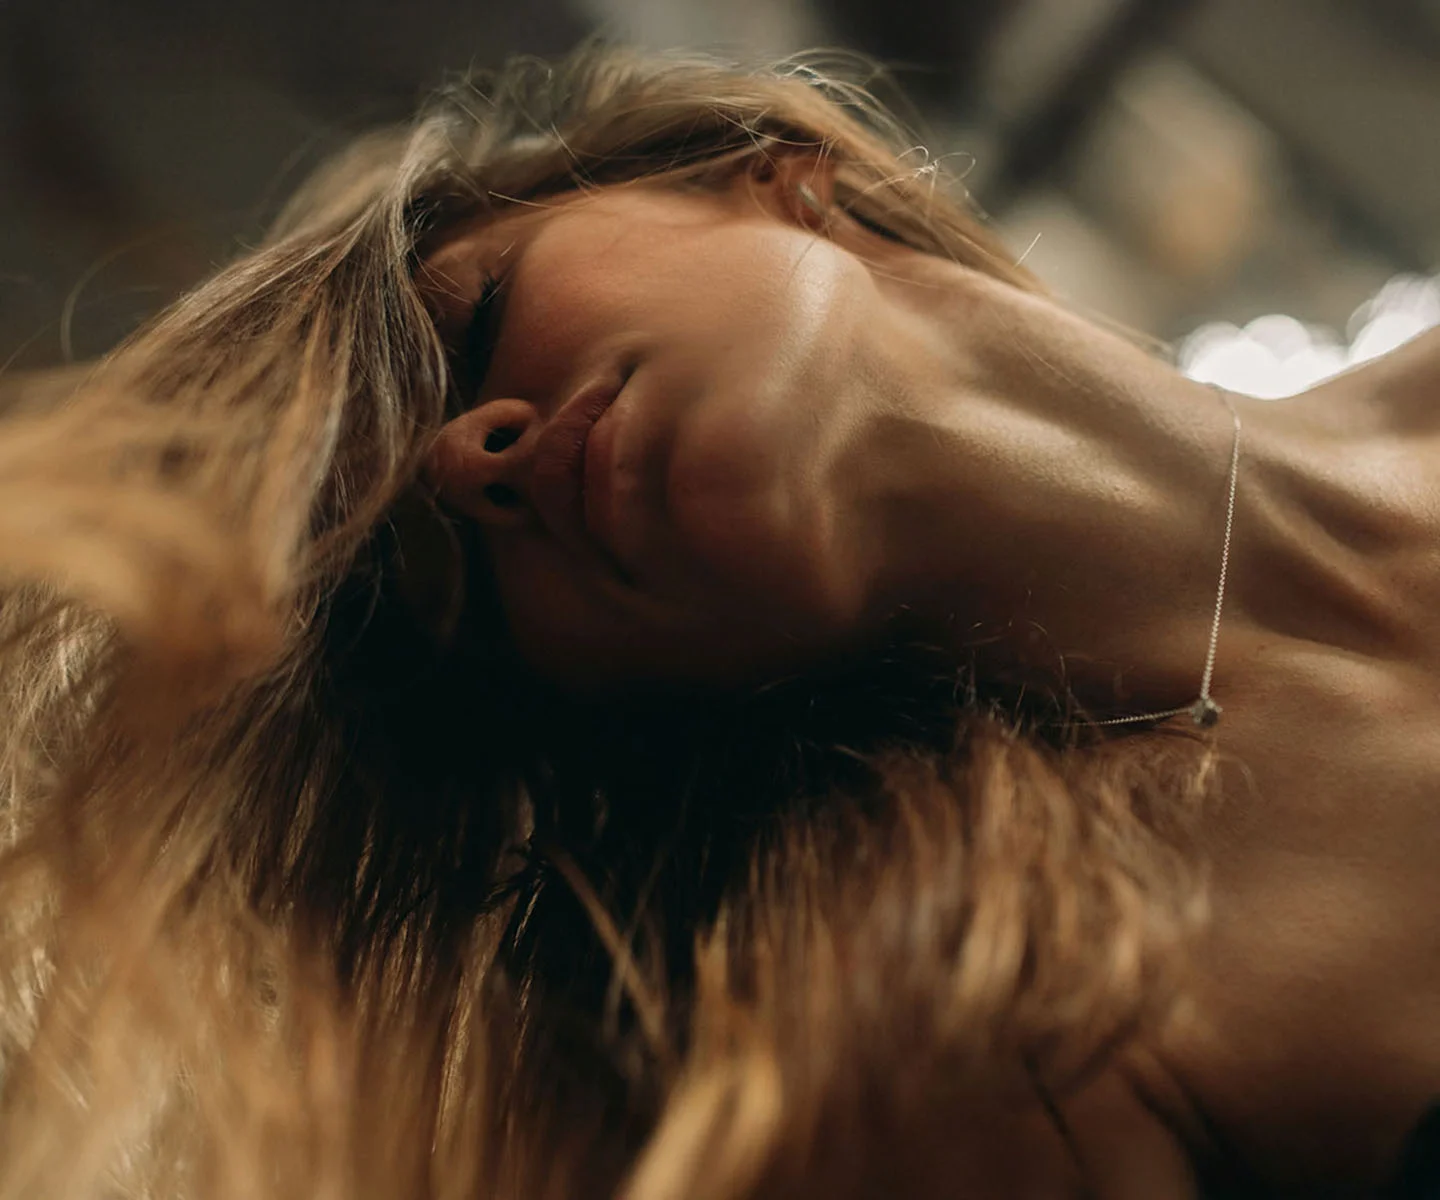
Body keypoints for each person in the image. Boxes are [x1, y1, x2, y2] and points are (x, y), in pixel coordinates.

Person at [0, 42, 1436, 1199]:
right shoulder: (1019, 1048)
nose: (462, 464)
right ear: (603, 704)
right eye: (429, 579)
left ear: (768, 178)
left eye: (471, 328)